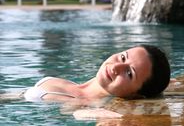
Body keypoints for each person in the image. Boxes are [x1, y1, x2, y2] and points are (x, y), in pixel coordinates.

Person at [24, 45, 171, 103]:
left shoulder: (86, 107)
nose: (115, 67)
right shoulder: (79, 88)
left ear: (135, 95)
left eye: (129, 73)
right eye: (123, 57)